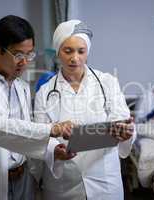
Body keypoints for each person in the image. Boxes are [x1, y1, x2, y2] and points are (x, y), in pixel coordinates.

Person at [0, 15, 74, 200]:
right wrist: (51, 128)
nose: (25, 62)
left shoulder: (22, 87)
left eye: (29, 54)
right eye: (18, 55)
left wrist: (51, 151)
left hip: (23, 179)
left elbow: (23, 133)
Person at [32, 19, 135, 200]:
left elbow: (123, 121)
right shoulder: (45, 92)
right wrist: (55, 151)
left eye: (81, 51)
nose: (75, 58)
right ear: (58, 52)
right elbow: (41, 134)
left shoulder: (107, 82)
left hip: (104, 180)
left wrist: (126, 132)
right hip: (64, 181)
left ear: (87, 52)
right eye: (68, 51)